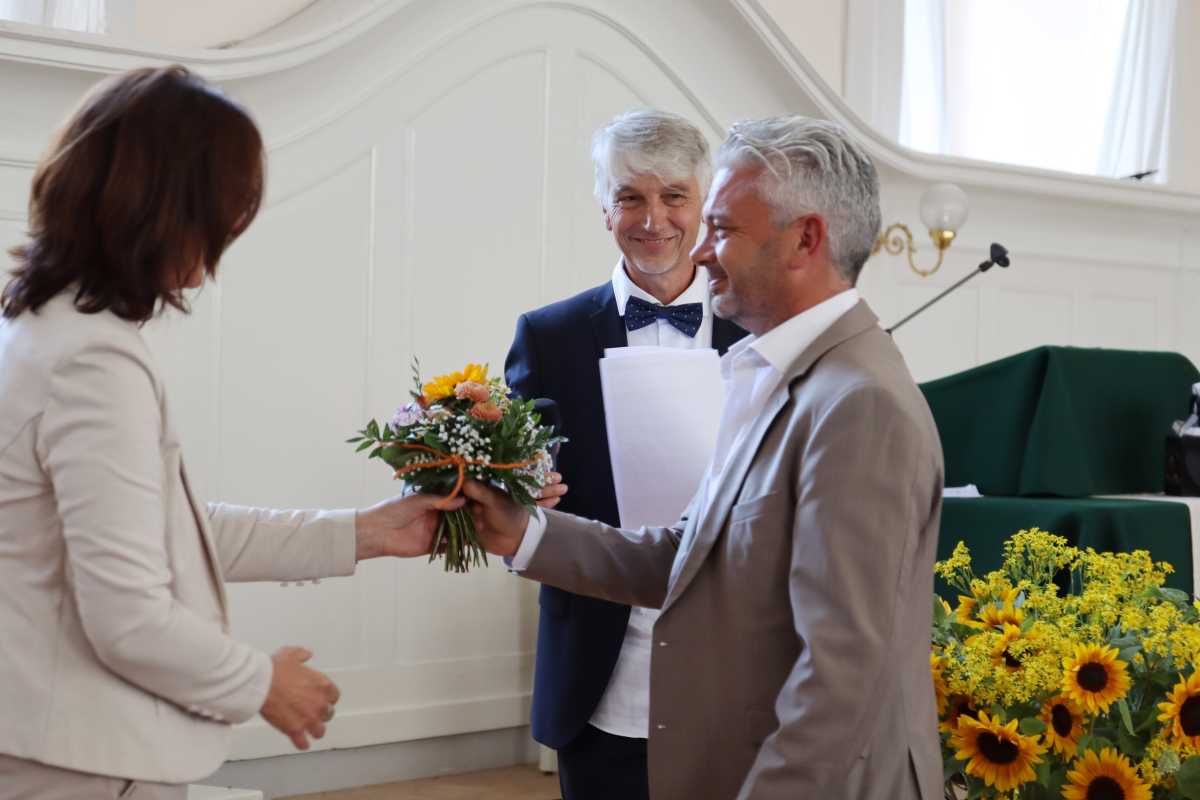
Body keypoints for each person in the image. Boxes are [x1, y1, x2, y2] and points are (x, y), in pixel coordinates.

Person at [0, 66, 473, 799]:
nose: (216, 252)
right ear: (165, 210)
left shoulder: (40, 326)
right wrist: (263, 684)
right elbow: (128, 617)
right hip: (80, 762)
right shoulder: (93, 363)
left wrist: (367, 532)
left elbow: (164, 529)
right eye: (221, 217)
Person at [467, 116, 944, 799]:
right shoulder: (780, 373)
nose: (701, 251)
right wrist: (522, 531)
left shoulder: (858, 403)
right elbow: (691, 556)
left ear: (806, 239)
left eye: (720, 228)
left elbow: (841, 675)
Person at [504, 109, 746, 800]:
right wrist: (521, 492)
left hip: (733, 665)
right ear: (603, 207)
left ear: (705, 206)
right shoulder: (548, 336)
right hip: (598, 669)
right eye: (630, 196)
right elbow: (521, 491)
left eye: (674, 196)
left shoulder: (760, 332)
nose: (653, 218)